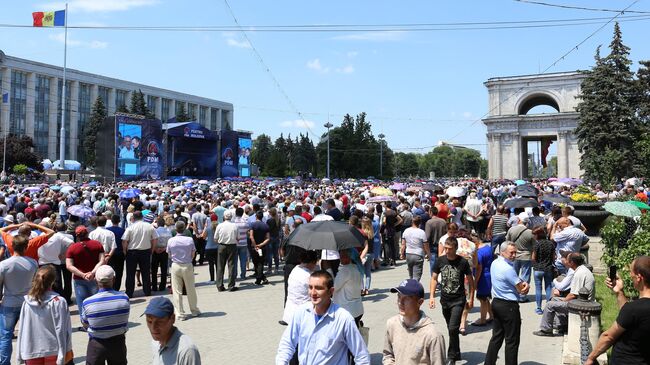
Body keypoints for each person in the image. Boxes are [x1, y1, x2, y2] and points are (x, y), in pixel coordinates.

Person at [276, 270, 370, 365]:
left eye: (318, 288)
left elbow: (361, 356)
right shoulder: (301, 312)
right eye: (310, 287)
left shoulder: (344, 319)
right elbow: (287, 344)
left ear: (331, 291)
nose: (313, 293)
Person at [585, 256, 650, 365]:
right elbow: (629, 318)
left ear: (639, 277)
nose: (630, 275)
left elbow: (608, 336)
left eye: (631, 272)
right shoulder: (635, 310)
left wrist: (591, 358)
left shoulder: (634, 309)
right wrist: (619, 291)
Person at [429, 236, 474, 364]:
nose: (447, 251)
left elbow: (471, 282)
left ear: (455, 248)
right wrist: (432, 296)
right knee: (451, 328)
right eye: (446, 248)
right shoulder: (440, 261)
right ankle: (457, 351)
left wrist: (471, 298)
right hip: (445, 299)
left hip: (459, 300)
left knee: (453, 328)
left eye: (449, 249)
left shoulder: (463, 262)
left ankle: (451, 357)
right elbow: (433, 279)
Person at [484, 241, 530, 365]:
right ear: (503, 252)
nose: (514, 255)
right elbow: (522, 291)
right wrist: (527, 286)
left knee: (497, 337)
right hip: (509, 306)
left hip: (497, 303)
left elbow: (514, 280)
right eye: (511, 253)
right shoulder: (508, 269)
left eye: (515, 252)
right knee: (512, 341)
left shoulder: (495, 263)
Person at [16, 265, 73, 365]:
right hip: (54, 350)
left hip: (31, 350)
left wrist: (20, 354)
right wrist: (65, 351)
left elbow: (22, 329)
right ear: (53, 281)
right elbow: (63, 329)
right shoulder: (58, 302)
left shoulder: (27, 302)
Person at [383, 279, 447, 365]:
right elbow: (388, 355)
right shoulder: (392, 324)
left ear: (419, 302)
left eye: (406, 298)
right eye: (399, 296)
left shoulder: (432, 335)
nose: (400, 302)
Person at [533, 252, 594, 336]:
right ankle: (561, 325)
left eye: (568, 260)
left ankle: (546, 329)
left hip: (581, 305)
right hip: (580, 301)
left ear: (572, 262)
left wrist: (563, 301)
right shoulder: (581, 269)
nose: (566, 262)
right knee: (554, 299)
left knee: (550, 305)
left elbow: (573, 295)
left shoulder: (579, 274)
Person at [0, 235, 38, 365]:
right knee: (29, 334)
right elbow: (35, 284)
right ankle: (30, 360)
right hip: (28, 302)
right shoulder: (33, 263)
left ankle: (5, 362)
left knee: (5, 335)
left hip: (9, 302)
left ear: (12, 246)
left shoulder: (4, 265)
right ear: (26, 247)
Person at [81, 265, 130, 365]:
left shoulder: (87, 302)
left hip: (96, 344)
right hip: (118, 342)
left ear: (96, 280)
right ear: (114, 279)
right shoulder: (124, 297)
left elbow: (85, 324)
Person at [145, 297, 201, 365]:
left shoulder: (187, 351)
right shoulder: (155, 343)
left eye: (159, 322)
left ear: (172, 319)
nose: (153, 328)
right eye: (149, 321)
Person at [66, 226, 105, 324]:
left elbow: (69, 266)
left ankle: (85, 324)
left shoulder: (72, 248)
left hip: (79, 279)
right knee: (97, 301)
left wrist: (83, 275)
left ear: (77, 236)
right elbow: (102, 260)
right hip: (94, 278)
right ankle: (98, 322)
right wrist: (92, 272)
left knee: (82, 303)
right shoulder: (97, 244)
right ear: (87, 233)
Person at [167, 220, 201, 320]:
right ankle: (194, 310)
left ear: (175, 229)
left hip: (176, 265)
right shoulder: (189, 240)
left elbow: (168, 254)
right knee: (191, 288)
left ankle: (180, 313)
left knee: (177, 290)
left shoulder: (171, 240)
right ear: (185, 228)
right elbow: (193, 253)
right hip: (187, 265)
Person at [122, 211, 158, 298]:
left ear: (133, 218)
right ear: (142, 217)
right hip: (145, 251)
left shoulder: (130, 228)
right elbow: (155, 239)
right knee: (146, 272)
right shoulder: (149, 226)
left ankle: (129, 292)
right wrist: (152, 250)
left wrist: (125, 251)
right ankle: (147, 291)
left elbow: (124, 241)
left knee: (130, 273)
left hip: (132, 252)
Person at [282, 250, 319, 325]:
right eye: (315, 263)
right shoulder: (308, 277)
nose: (316, 265)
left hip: (290, 312)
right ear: (312, 262)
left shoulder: (296, 269)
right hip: (303, 314)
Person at [505, 212, 534, 302]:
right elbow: (534, 246)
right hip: (526, 256)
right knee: (525, 276)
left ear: (519, 220)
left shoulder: (511, 229)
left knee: (513, 275)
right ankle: (522, 296)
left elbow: (507, 242)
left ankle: (513, 294)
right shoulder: (530, 232)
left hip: (514, 255)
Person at [333, 249, 364, 327]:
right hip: (357, 308)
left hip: (348, 310)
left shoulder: (345, 271)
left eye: (342, 256)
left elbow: (335, 287)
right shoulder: (356, 268)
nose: (341, 258)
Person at [531, 226, 555, 315]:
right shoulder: (550, 244)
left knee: (538, 288)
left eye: (534, 234)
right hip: (548, 268)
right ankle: (549, 307)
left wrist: (535, 264)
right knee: (548, 287)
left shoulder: (537, 244)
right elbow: (553, 258)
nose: (533, 236)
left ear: (538, 235)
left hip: (538, 269)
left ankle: (538, 308)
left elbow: (533, 258)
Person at [214, 211, 239, 291]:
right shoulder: (235, 226)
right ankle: (231, 285)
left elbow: (215, 238)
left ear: (224, 217)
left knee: (220, 266)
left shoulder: (220, 225)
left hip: (222, 245)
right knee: (231, 265)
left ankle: (219, 285)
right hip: (232, 246)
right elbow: (238, 237)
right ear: (231, 217)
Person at [400, 215, 430, 282]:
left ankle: (411, 289)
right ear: (419, 223)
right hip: (418, 254)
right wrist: (428, 254)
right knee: (417, 275)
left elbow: (403, 244)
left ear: (412, 222)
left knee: (411, 275)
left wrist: (402, 253)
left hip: (408, 253)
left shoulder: (406, 231)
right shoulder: (422, 232)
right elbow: (426, 245)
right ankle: (414, 290)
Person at [472, 238, 494, 326]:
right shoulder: (488, 248)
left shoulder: (479, 253)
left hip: (482, 278)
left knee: (482, 300)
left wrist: (475, 282)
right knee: (486, 298)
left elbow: (478, 268)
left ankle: (482, 319)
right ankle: (492, 315)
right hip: (488, 276)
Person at [249, 210, 270, 285]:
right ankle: (263, 278)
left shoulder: (252, 225)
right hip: (262, 247)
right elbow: (268, 238)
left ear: (256, 217)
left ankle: (259, 279)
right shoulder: (265, 225)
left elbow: (251, 236)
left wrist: (255, 245)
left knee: (256, 263)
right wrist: (261, 244)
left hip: (254, 247)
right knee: (260, 262)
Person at [424, 205, 447, 276]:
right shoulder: (443, 221)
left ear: (431, 212)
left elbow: (427, 237)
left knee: (433, 266)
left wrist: (426, 251)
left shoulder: (429, 222)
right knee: (443, 264)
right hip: (442, 245)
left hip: (433, 246)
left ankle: (434, 281)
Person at [152, 217, 172, 292]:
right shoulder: (168, 231)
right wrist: (164, 249)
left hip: (155, 250)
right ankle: (162, 286)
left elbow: (152, 241)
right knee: (164, 269)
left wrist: (155, 249)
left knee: (154, 270)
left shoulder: (154, 231)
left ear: (157, 224)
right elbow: (170, 242)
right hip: (164, 251)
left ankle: (154, 286)